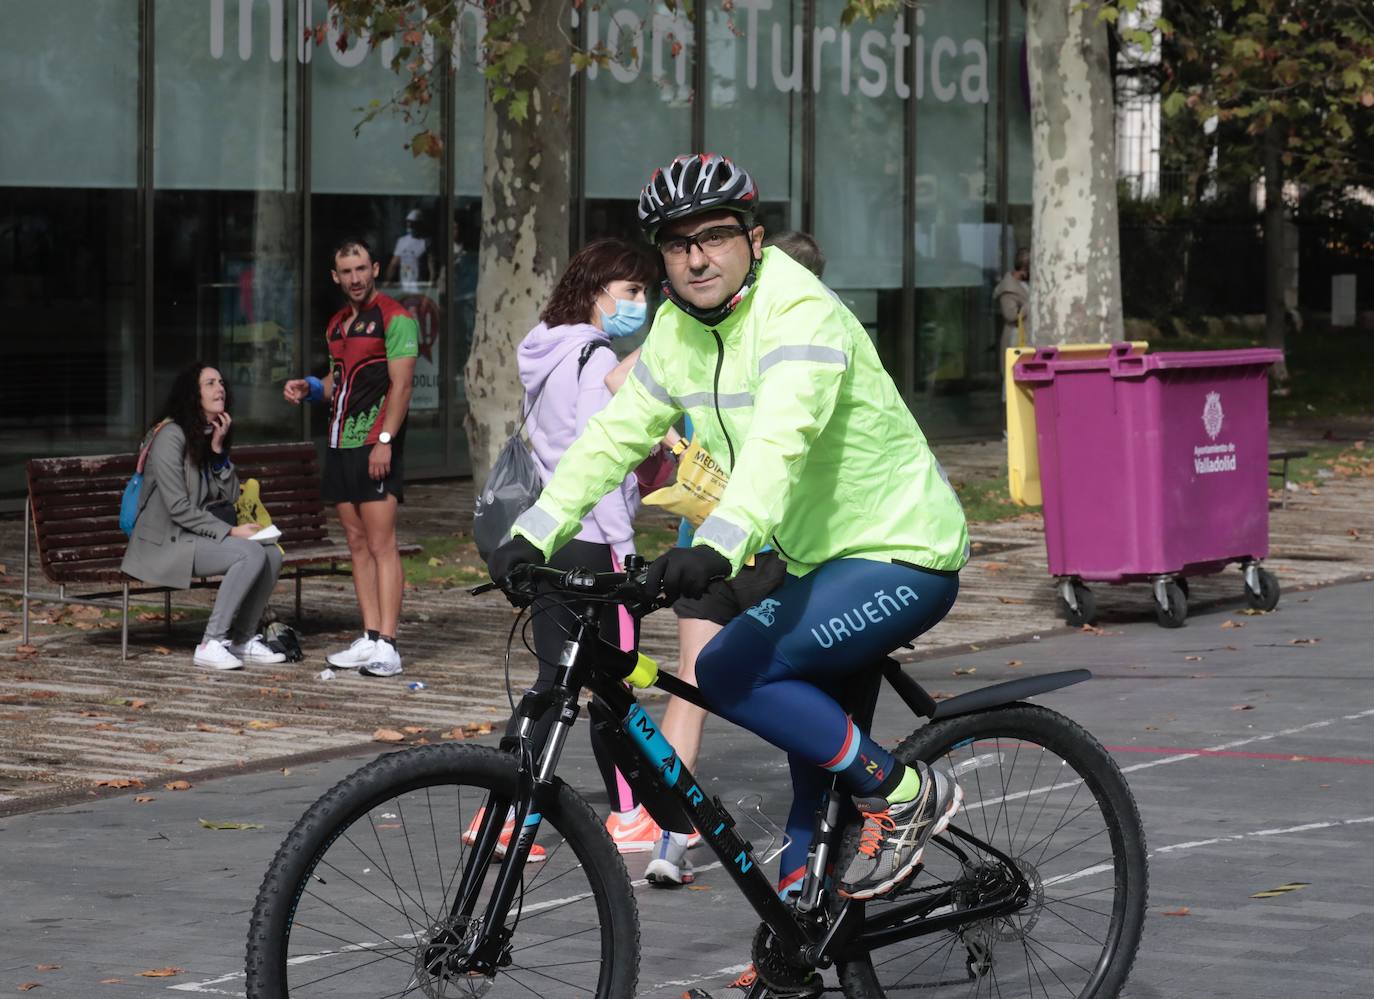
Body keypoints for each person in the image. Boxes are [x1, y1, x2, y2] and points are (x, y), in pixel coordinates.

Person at [488, 152, 970, 915]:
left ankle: (905, 792)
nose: (697, 256)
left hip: (897, 550)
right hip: (810, 557)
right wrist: (534, 530)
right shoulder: (678, 328)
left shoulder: (798, 310)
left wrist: (718, 543)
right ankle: (803, 939)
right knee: (808, 765)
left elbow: (782, 439)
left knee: (732, 671)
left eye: (714, 235)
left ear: (754, 236)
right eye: (677, 245)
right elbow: (612, 437)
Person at [603, 228, 828, 887]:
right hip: (776, 543)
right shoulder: (802, 336)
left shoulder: (705, 334)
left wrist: (666, 435)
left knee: (691, 684)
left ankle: (672, 837)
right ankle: (849, 819)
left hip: (707, 540)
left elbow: (620, 376)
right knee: (809, 688)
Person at [504, 236, 664, 856]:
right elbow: (597, 467)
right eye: (631, 292)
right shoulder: (597, 361)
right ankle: (629, 814)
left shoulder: (547, 352)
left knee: (551, 679)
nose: (641, 303)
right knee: (614, 684)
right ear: (597, 293)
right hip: (596, 546)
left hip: (547, 538)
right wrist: (624, 549)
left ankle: (508, 808)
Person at [283, 238, 418, 678]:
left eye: (362, 268)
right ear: (335, 276)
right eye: (347, 271)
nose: (356, 278)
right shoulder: (338, 323)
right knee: (357, 544)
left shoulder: (396, 319)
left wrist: (384, 439)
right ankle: (370, 636)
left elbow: (401, 386)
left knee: (382, 544)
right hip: (339, 445)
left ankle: (390, 646)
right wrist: (310, 387)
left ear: (375, 268)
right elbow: (339, 380)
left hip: (374, 444)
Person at [122, 362, 285, 671]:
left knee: (271, 554)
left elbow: (231, 496)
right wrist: (231, 534)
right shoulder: (170, 436)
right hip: (164, 544)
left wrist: (219, 451)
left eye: (221, 382)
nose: (220, 388)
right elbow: (178, 508)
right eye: (210, 383)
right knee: (249, 553)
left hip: (193, 537)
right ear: (192, 394)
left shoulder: (205, 435)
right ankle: (212, 642)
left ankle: (243, 640)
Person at [995, 246, 1031, 360]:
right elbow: (1010, 315)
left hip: (1025, 335)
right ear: (1024, 270)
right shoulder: (1008, 288)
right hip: (1015, 337)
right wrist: (1030, 306)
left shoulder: (1024, 283)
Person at [385, 209, 433, 293]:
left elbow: (431, 268)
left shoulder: (426, 242)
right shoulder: (402, 241)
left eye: (413, 223)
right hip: (404, 289)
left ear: (419, 224)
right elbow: (393, 264)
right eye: (408, 222)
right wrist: (387, 281)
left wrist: (430, 290)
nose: (410, 225)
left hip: (419, 290)